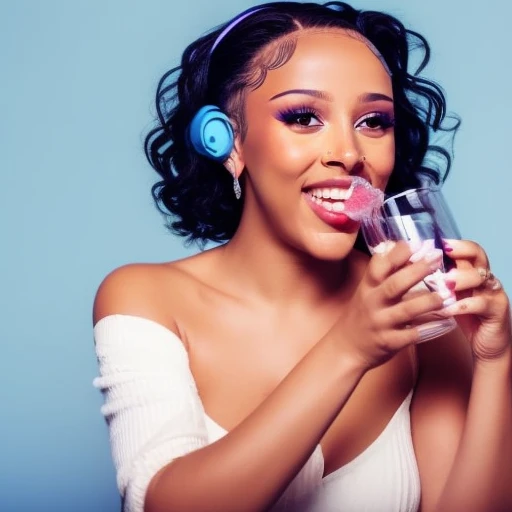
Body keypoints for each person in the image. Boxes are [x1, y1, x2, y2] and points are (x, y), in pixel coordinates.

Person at [92, 2, 512, 511]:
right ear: (226, 141)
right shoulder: (146, 299)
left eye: (374, 122)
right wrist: (351, 348)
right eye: (303, 117)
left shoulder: (419, 309)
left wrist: (495, 360)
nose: (350, 152)